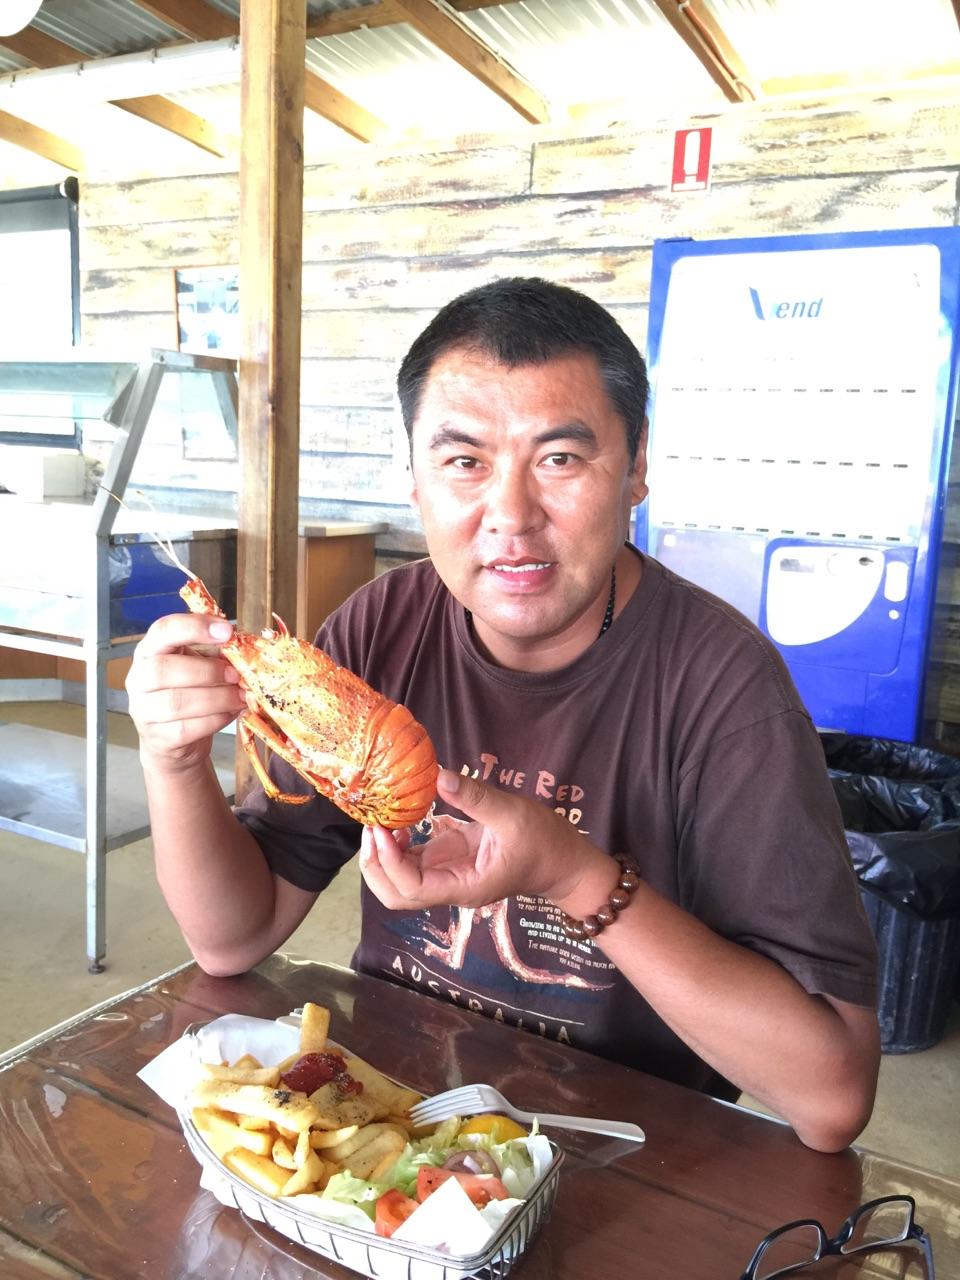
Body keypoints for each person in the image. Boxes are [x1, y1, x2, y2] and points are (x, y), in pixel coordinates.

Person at [127, 277, 880, 1153]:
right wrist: (172, 761)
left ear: (636, 466)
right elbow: (231, 940)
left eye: (560, 459)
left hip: (618, 1149)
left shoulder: (727, 688)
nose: (512, 517)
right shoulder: (378, 626)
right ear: (415, 480)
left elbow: (831, 1096)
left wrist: (573, 876)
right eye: (465, 462)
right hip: (393, 1125)